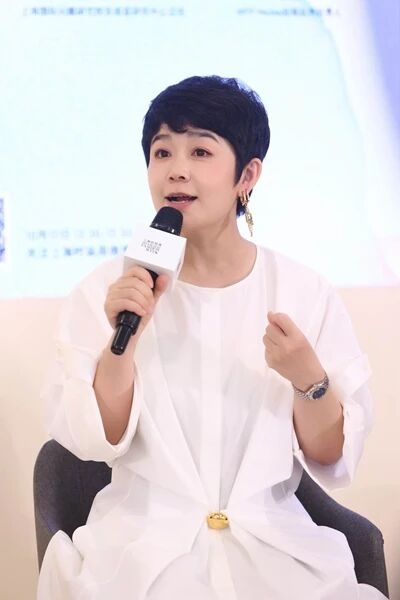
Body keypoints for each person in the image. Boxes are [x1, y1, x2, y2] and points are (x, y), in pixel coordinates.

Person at [37, 75, 385, 599]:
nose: (176, 169)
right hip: (142, 550)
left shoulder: (302, 291)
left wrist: (308, 380)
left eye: (200, 151)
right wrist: (123, 342)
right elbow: (94, 439)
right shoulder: (109, 289)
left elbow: (330, 454)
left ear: (247, 174)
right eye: (162, 152)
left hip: (274, 549)